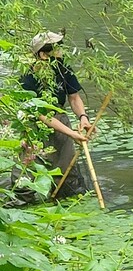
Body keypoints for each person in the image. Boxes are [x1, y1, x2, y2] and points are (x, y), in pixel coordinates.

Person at [18, 31, 93, 198]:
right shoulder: (28, 77)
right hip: (35, 126)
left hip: (60, 119)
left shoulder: (63, 68)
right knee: (27, 174)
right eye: (56, 49)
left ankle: (63, 198)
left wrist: (83, 117)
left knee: (66, 172)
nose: (61, 52)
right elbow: (41, 114)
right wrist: (71, 133)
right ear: (43, 54)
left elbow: (74, 97)